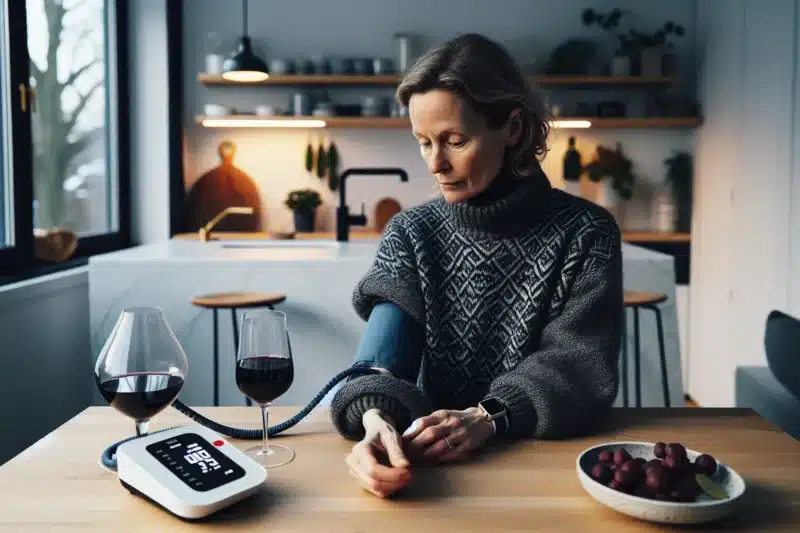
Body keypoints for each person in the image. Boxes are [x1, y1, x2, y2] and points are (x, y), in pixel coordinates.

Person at [330, 33, 623, 498]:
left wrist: (488, 416)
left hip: (549, 474)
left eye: (454, 141)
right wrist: (374, 422)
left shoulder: (587, 231)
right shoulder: (410, 233)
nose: (435, 164)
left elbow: (579, 367)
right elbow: (382, 362)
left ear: (511, 128)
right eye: (423, 142)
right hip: (434, 479)